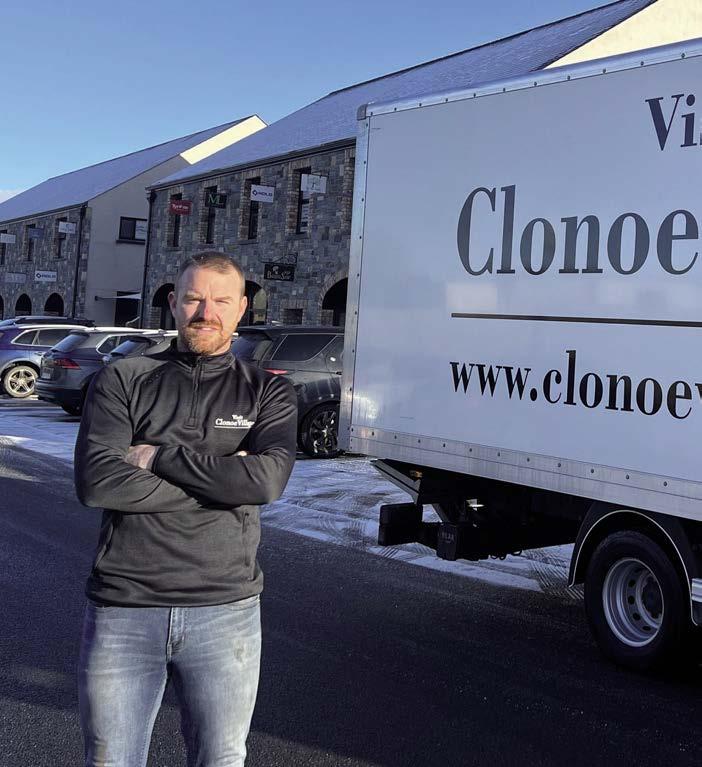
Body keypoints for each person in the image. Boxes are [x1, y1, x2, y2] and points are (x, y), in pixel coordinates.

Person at [74, 251, 298, 767]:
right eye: (195, 299)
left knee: (220, 759)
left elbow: (265, 482)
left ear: (241, 309)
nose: (206, 312)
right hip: (125, 607)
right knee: (111, 760)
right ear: (174, 303)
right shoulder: (124, 378)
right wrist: (227, 481)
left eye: (221, 301)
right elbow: (98, 483)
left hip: (226, 610)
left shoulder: (268, 391)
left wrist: (158, 457)